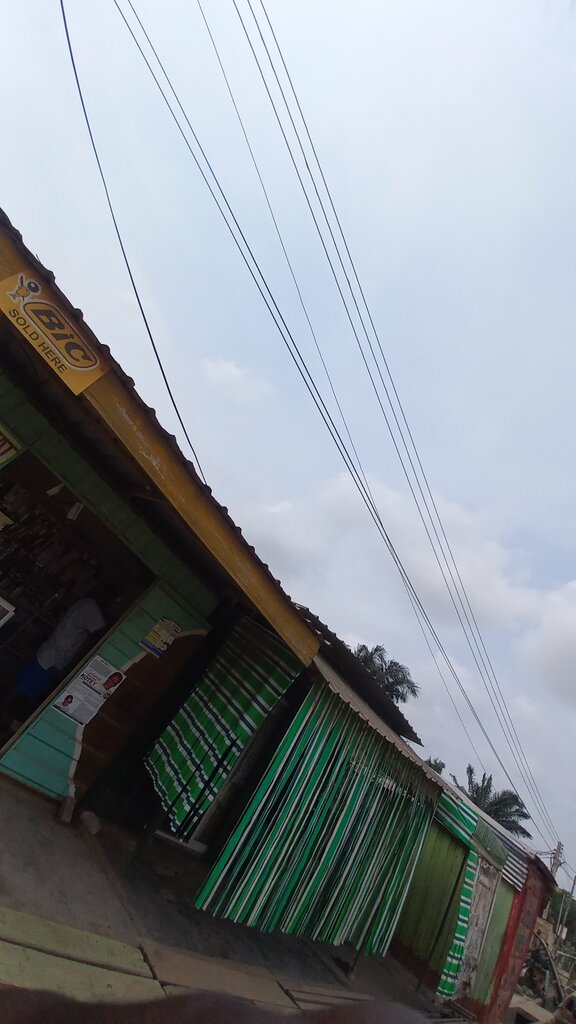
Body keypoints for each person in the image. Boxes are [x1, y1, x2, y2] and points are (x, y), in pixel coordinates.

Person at [0, 584, 119, 724]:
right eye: (110, 598)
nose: (110, 601)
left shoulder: (85, 602)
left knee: (21, 691)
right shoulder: (91, 607)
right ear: (103, 593)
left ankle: (5, 716)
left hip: (50, 656)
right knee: (20, 691)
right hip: (52, 659)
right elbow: (101, 634)